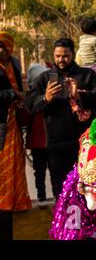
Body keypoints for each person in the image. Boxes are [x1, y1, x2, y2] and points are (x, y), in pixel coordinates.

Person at [25, 38, 96, 199]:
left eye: (65, 56)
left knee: (85, 188)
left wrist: (78, 95)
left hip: (84, 143)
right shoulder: (45, 79)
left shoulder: (87, 76)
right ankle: (63, 223)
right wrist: (46, 98)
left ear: (73, 54)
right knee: (60, 189)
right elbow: (30, 105)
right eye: (57, 56)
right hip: (56, 143)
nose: (61, 60)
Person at [0, 32, 32, 240]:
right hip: (2, 121)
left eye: (3, 47)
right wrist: (12, 95)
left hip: (14, 121)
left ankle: (16, 199)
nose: (0, 51)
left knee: (15, 161)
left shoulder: (14, 64)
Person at [26, 63, 51, 208]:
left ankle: (44, 197)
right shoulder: (32, 98)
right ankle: (42, 197)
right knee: (40, 171)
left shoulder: (49, 95)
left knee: (46, 171)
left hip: (47, 140)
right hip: (38, 141)